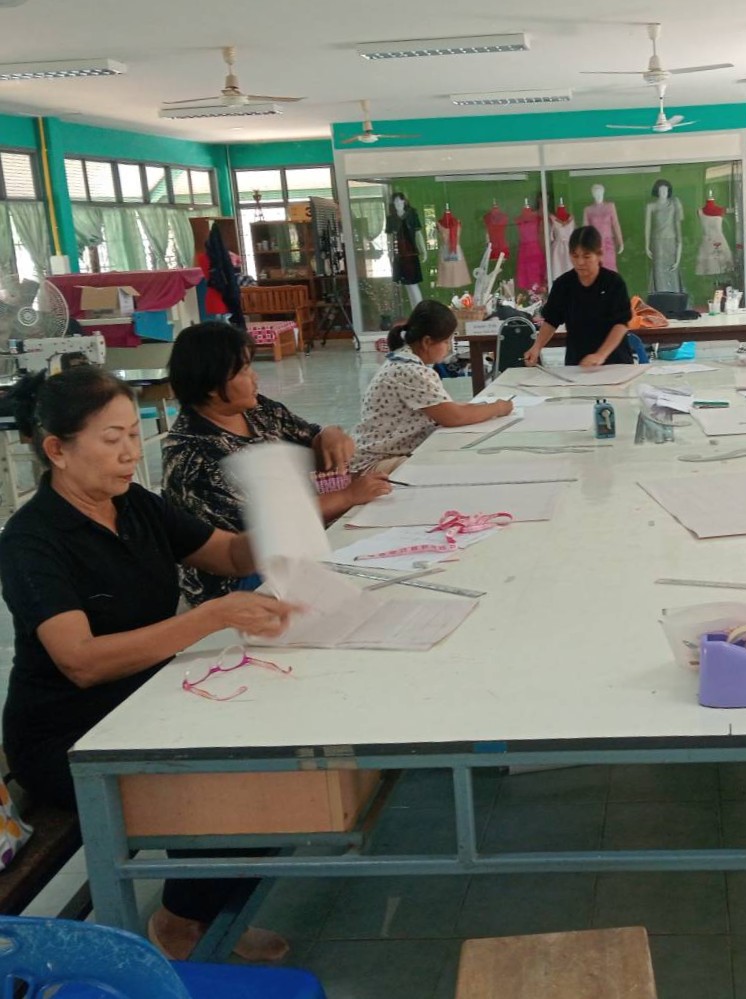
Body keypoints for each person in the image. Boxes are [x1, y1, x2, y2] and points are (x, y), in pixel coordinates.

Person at [0, 366, 298, 962]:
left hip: (145, 698)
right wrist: (211, 617)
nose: (131, 453)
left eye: (135, 435)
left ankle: (206, 907)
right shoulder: (32, 540)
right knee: (220, 786)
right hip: (71, 731)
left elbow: (228, 554)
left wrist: (283, 516)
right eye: (112, 440)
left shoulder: (132, 505)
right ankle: (182, 920)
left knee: (271, 751)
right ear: (57, 450)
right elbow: (80, 661)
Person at [163, 321, 392, 606]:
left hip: (296, 542)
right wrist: (347, 496)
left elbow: (309, 435)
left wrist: (329, 435)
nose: (255, 377)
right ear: (212, 384)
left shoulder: (258, 410)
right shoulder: (192, 454)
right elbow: (265, 529)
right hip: (240, 580)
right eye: (244, 370)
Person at [352, 300, 513, 475]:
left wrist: (479, 407)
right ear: (427, 342)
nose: (449, 347)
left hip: (386, 455)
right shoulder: (410, 371)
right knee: (444, 466)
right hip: (373, 464)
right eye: (446, 341)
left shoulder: (404, 360)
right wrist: (498, 408)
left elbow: (446, 408)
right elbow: (454, 417)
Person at [523, 225, 633, 369]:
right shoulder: (563, 284)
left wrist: (600, 355)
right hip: (578, 364)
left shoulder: (613, 283)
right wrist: (536, 347)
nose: (580, 262)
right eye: (575, 256)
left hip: (615, 362)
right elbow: (551, 320)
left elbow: (621, 324)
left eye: (586, 256)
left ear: (599, 254)